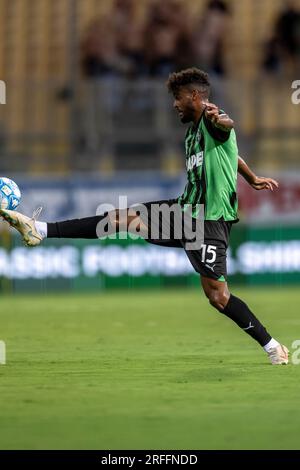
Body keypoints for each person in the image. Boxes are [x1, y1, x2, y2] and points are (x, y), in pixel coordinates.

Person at [0, 68, 288, 365]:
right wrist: (251, 177)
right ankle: (40, 229)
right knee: (120, 218)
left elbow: (227, 128)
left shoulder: (213, 121)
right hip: (184, 211)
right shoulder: (192, 135)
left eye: (177, 98)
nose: (174, 104)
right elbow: (232, 153)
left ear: (194, 96)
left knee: (218, 296)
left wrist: (223, 120)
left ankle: (273, 347)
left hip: (208, 222)